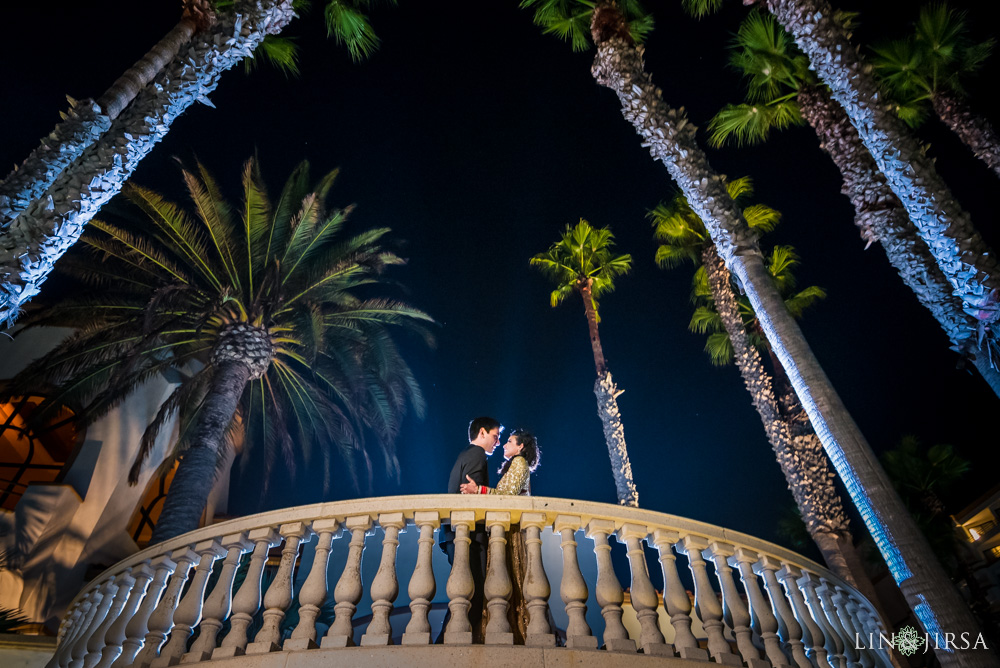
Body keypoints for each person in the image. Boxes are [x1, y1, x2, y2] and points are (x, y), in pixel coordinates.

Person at [460, 429, 541, 643]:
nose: (504, 444)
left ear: (520, 446)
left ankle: (517, 632)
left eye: (509, 441)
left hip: (512, 531)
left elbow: (508, 495)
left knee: (512, 576)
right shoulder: (514, 464)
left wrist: (479, 490)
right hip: (506, 528)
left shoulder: (519, 463)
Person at [439, 416, 502, 642]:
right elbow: (471, 497)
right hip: (469, 536)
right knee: (473, 596)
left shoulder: (464, 455)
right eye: (495, 436)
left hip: (454, 534)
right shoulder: (477, 455)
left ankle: (443, 645)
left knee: (464, 594)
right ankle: (442, 648)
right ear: (482, 432)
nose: (497, 442)